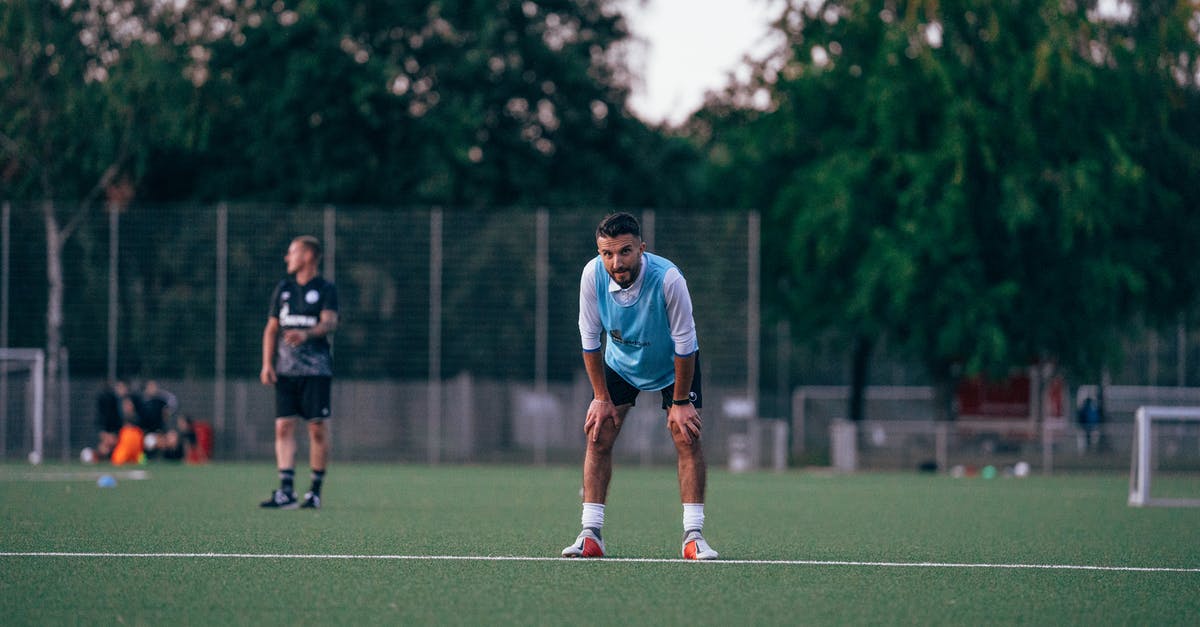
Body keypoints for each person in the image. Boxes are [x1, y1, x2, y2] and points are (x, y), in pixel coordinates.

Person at [561, 212, 718, 560]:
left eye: (625, 251)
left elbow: (685, 343)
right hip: (620, 363)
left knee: (686, 435)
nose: (616, 262)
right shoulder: (592, 276)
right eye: (607, 253)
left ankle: (693, 537)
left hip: (672, 364)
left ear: (641, 249)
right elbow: (589, 339)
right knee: (598, 433)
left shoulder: (668, 279)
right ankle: (591, 534)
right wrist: (601, 398)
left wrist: (680, 401)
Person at [259, 235, 339, 509]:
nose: (287, 257)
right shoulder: (283, 289)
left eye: (291, 252)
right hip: (285, 371)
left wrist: (306, 335)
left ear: (307, 256)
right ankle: (286, 490)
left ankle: (314, 491)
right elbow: (271, 329)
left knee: (316, 429)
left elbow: (329, 322)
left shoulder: (326, 289)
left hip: (316, 371)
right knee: (283, 426)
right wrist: (267, 364)